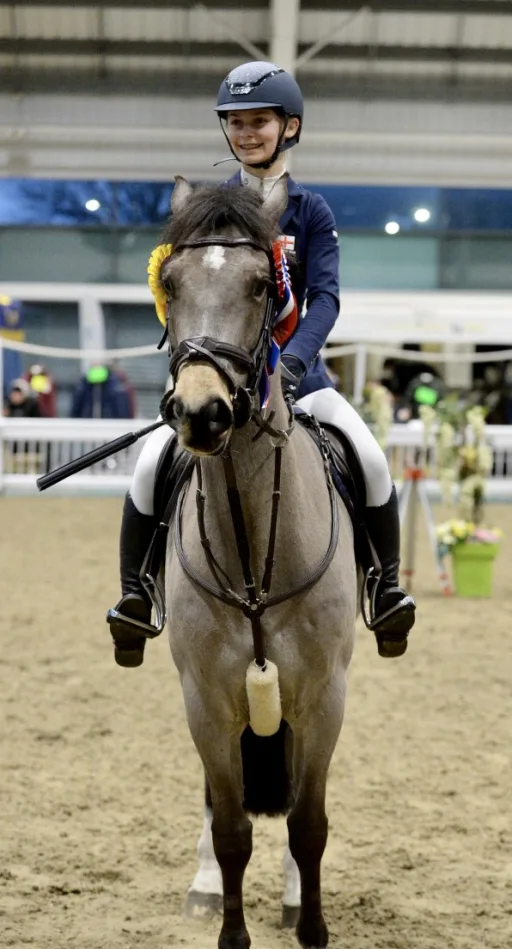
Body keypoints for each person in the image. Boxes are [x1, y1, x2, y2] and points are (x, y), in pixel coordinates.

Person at [107, 61, 415, 668]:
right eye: (237, 123)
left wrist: (296, 363)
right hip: (223, 380)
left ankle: (384, 587)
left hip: (300, 382)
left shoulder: (310, 210)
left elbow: (324, 297)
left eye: (259, 122)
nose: (247, 134)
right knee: (149, 467)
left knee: (371, 460)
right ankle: (136, 595)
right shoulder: (209, 212)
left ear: (289, 126)